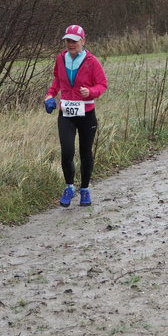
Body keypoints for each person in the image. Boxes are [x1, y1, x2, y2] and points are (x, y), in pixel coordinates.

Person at [44, 25, 108, 207]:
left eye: (74, 41)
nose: (70, 44)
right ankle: (69, 187)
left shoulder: (91, 61)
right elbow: (57, 80)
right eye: (67, 41)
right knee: (67, 151)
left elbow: (102, 84)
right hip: (67, 112)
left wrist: (91, 92)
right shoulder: (61, 58)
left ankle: (85, 190)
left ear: (83, 41)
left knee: (85, 152)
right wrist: (49, 96)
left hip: (87, 113)